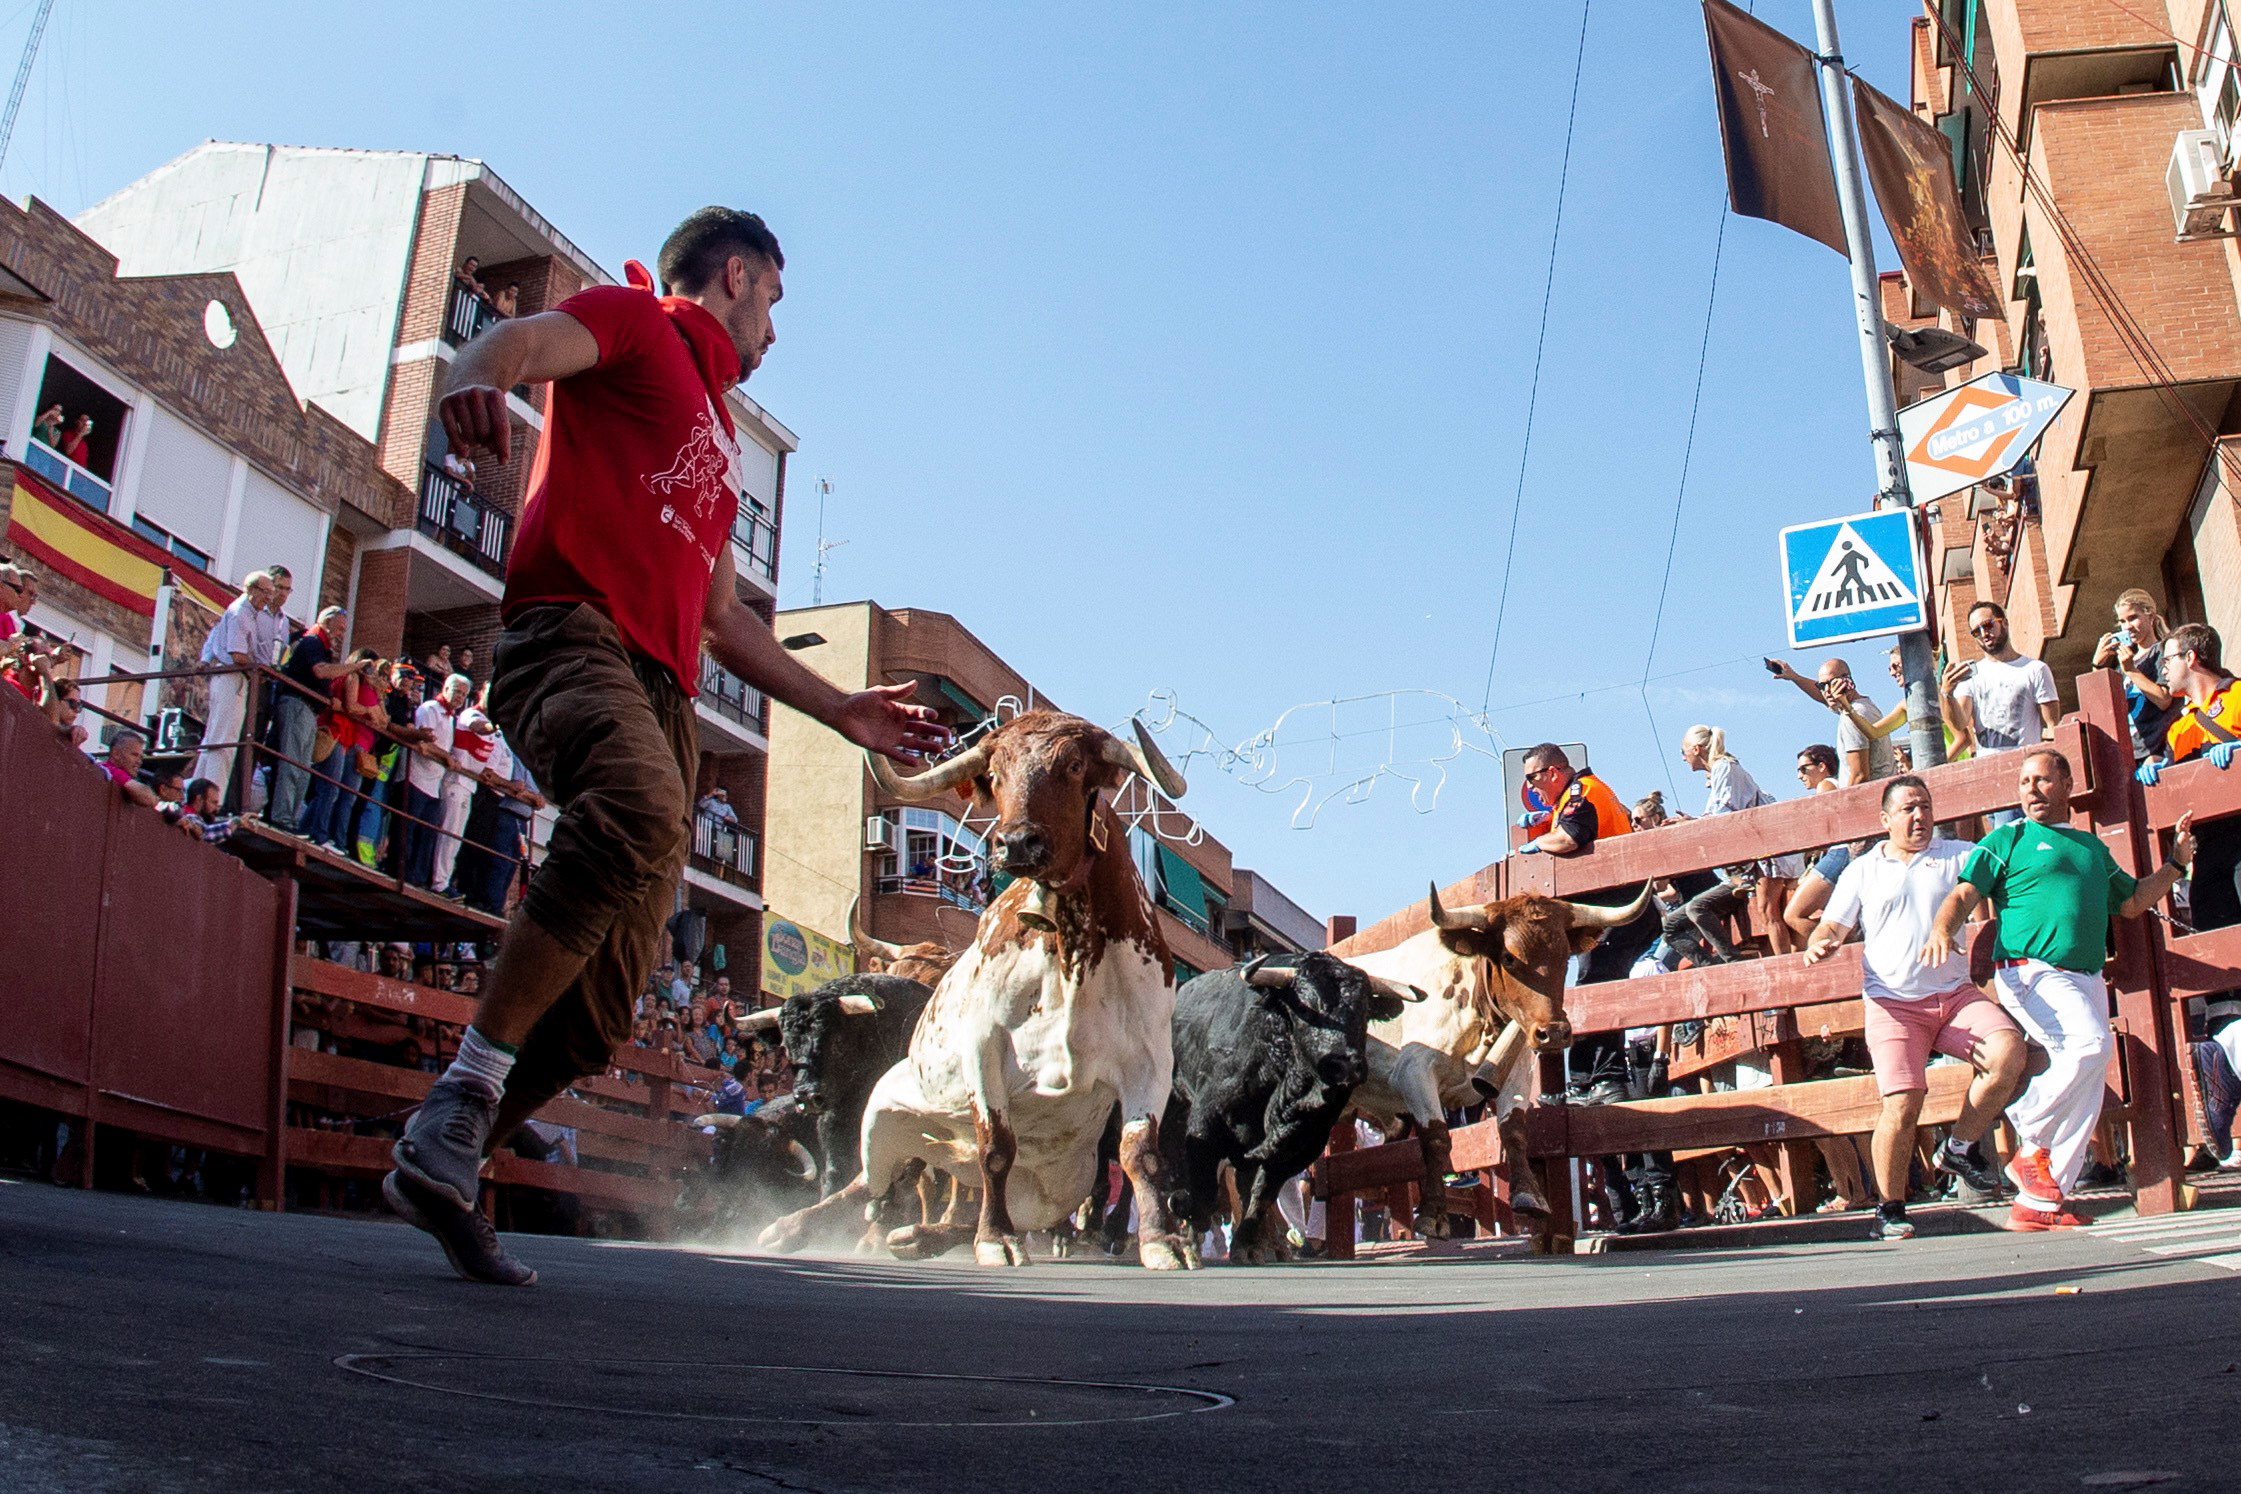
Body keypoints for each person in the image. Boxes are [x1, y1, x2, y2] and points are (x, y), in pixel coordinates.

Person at [384, 204, 947, 1286]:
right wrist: (473, 378)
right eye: (775, 302)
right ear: (734, 276)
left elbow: (726, 620)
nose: (776, 330)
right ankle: (462, 1095)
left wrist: (841, 711)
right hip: (571, 634)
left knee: (600, 1013)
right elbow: (523, 342)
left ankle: (443, 1160)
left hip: (665, 689)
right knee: (641, 808)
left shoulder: (716, 442)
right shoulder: (638, 326)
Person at [1926, 748, 2196, 1229]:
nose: (2031, 788)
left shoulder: (2091, 849)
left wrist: (2175, 864)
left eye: (2043, 779)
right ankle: (2029, 1142)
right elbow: (1964, 893)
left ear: (2067, 784)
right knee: (2091, 1044)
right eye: (2025, 781)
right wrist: (1944, 927)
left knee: (2089, 1081)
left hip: (2085, 976)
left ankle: (2039, 1204)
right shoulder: (2007, 838)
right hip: (2030, 972)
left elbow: (2132, 902)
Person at [1802, 776, 2026, 1241]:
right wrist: (1820, 944)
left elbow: (2016, 871)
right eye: (1907, 809)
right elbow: (1830, 926)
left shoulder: (1960, 854)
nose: (1918, 816)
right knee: (1903, 1104)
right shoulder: (1862, 869)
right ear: (1885, 820)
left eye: (1924, 806)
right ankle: (1890, 1207)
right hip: (1892, 1002)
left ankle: (1960, 1147)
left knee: (2009, 1054)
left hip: (1955, 994)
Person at [1681, 724, 1802, 955]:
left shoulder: (1724, 767)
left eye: (1683, 751)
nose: (1683, 758)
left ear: (1696, 749)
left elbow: (1723, 811)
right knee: (1772, 912)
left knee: (1768, 911)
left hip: (1767, 849)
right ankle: (1787, 962)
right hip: (1764, 849)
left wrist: (1694, 823)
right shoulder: (1723, 768)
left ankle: (1785, 966)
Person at [266, 606, 351, 834]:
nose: (341, 634)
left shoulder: (320, 646)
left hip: (309, 711)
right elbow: (321, 672)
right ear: (327, 621)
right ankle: (282, 817)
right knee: (293, 763)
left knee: (302, 768)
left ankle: (291, 819)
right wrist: (355, 667)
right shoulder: (312, 641)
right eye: (340, 628)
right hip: (297, 705)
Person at [1944, 601, 2060, 762]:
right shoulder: (1971, 676)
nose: (1984, 633)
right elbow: (1960, 722)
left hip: (2027, 765)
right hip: (1989, 769)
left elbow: (2052, 726)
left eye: (1988, 625)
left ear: (2004, 623)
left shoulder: (2035, 669)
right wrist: (1947, 693)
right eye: (1976, 631)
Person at [191, 570, 271, 803]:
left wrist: (205, 660)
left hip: (230, 679)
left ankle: (199, 793)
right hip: (231, 678)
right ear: (252, 590)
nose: (268, 598)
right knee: (223, 743)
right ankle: (211, 800)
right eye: (266, 592)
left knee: (214, 739)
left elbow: (214, 637)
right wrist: (261, 669)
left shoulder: (240, 612)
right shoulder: (240, 614)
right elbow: (237, 654)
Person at [1767, 656, 1897, 786]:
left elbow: (1860, 776)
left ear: (1847, 680)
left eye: (1831, 683)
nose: (1827, 691)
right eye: (1822, 686)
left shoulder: (1853, 715)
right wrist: (1795, 677)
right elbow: (1825, 697)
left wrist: (1846, 804)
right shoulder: (1860, 706)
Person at [304, 647, 381, 852]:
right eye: (370, 666)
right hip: (336, 730)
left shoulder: (349, 675)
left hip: (342, 733)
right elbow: (351, 706)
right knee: (330, 787)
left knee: (331, 789)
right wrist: (368, 711)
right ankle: (319, 834)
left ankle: (307, 827)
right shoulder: (352, 675)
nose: (371, 672)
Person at [2094, 588, 2179, 764]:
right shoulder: (2124, 663)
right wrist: (2097, 666)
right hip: (2134, 753)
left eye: (2133, 618)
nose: (2128, 627)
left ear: (2151, 616)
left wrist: (2131, 670)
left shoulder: (2164, 650)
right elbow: (2105, 706)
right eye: (2122, 621)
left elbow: (2164, 700)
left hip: (2163, 749)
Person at [400, 672, 463, 889]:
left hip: (435, 783)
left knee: (426, 834)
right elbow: (423, 742)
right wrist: (446, 757)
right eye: (457, 691)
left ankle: (417, 878)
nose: (460, 697)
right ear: (445, 688)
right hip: (416, 776)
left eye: (464, 694)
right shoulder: (430, 709)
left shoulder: (450, 717)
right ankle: (401, 872)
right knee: (407, 829)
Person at [101, 731, 159, 808]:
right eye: (134, 755)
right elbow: (147, 799)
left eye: (140, 757)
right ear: (116, 753)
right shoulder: (109, 769)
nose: (139, 762)